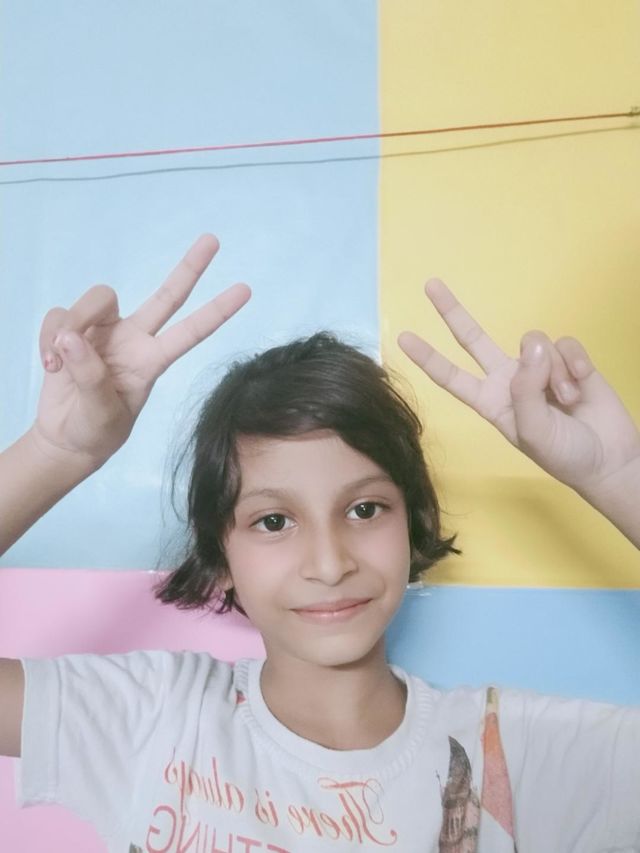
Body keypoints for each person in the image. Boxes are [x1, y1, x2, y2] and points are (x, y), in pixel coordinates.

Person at [0, 234, 638, 853]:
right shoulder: (154, 715)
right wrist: (56, 452)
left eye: (364, 509)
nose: (330, 564)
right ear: (221, 555)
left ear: (412, 520)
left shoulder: (517, 754)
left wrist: (620, 477)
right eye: (274, 521)